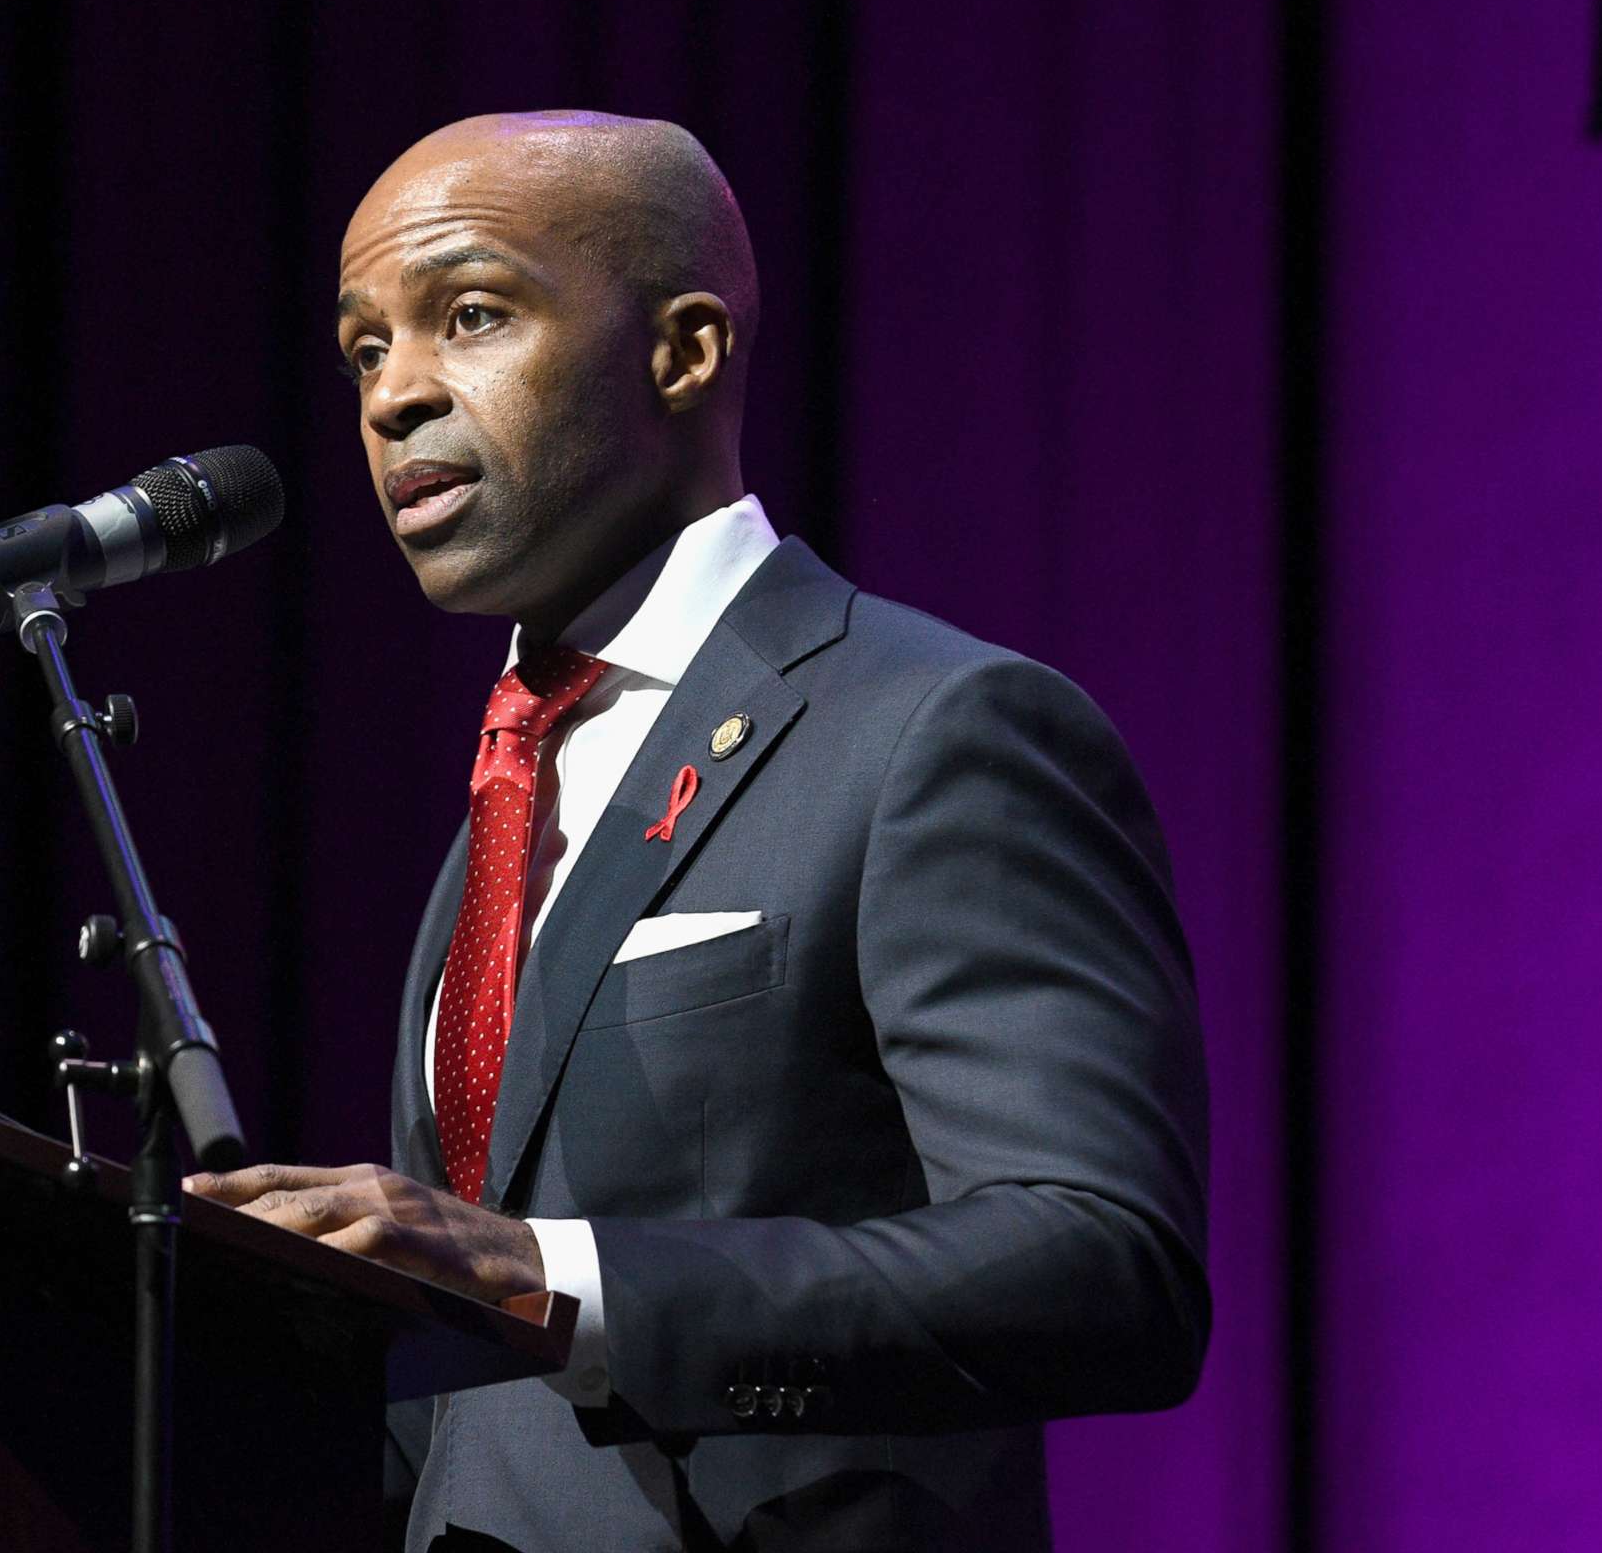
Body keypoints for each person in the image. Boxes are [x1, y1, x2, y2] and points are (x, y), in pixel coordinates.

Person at [184, 111, 1210, 1552]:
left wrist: (553, 1276)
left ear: (683, 351)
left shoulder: (934, 730)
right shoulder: (505, 798)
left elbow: (1107, 1268)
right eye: (365, 349)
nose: (395, 395)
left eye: (469, 315)